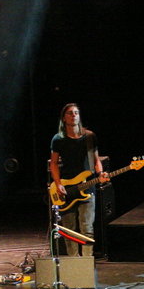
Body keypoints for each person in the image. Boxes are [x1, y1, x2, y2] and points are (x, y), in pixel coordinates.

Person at [49, 103, 107, 257]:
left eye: (76, 112)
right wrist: (58, 184)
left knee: (87, 228)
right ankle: (74, 262)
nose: (74, 115)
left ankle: (86, 262)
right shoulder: (58, 139)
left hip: (87, 187)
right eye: (70, 113)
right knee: (69, 229)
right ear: (64, 118)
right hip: (66, 189)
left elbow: (96, 160)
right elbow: (53, 163)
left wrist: (100, 173)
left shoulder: (89, 137)